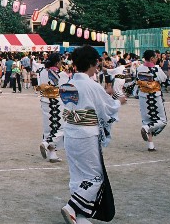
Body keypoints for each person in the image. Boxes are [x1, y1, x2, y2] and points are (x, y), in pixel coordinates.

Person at [60, 45, 126, 224]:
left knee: (77, 175)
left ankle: (80, 216)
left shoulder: (67, 84)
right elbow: (107, 109)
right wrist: (119, 101)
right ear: (92, 63)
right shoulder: (91, 85)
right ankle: (72, 206)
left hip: (71, 132)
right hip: (86, 135)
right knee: (95, 177)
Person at [36, 52, 69, 163]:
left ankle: (52, 154)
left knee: (48, 127)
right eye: (60, 62)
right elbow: (65, 89)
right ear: (57, 62)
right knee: (60, 127)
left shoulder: (43, 72)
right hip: (57, 102)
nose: (61, 64)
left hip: (45, 100)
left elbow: (40, 85)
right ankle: (46, 143)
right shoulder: (62, 74)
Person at [136, 49, 168, 151]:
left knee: (147, 120)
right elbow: (165, 82)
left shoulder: (139, 68)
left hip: (142, 96)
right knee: (162, 120)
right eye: (156, 57)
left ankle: (151, 145)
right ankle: (146, 128)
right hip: (154, 96)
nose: (157, 58)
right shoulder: (156, 69)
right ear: (151, 58)